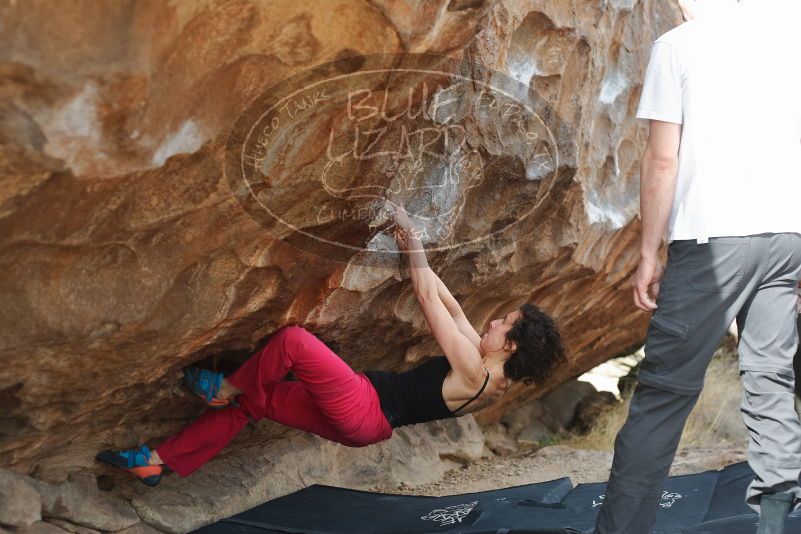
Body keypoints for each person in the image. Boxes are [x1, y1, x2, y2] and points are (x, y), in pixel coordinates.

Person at [96, 205, 567, 486]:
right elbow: (456, 311)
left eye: (505, 323)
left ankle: (223, 387)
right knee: (255, 403)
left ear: (511, 346)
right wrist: (412, 243)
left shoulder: (473, 369)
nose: (494, 321)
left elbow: (426, 297)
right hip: (366, 422)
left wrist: (410, 238)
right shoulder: (488, 372)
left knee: (294, 343)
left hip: (364, 407)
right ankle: (155, 463)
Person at [591, 1, 801, 533]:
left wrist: (647, 252)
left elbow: (664, 159)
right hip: (786, 235)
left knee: (664, 394)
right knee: (770, 381)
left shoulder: (678, 46)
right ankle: (776, 526)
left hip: (712, 242)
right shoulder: (788, 37)